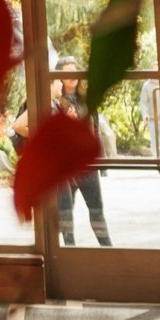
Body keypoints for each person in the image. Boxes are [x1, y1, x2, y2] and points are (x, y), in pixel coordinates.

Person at [54, 61, 112, 247]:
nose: (73, 76)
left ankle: (108, 248)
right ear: (59, 77)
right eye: (68, 72)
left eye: (75, 72)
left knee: (97, 210)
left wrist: (100, 163)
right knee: (65, 212)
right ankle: (70, 251)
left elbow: (95, 132)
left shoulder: (87, 100)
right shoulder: (54, 101)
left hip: (87, 167)